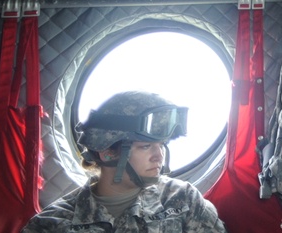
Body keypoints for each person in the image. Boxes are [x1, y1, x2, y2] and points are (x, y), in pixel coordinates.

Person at [22, 91, 226, 232]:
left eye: (162, 144)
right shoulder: (52, 224)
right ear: (107, 153)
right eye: (145, 146)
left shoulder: (182, 199)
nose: (159, 155)